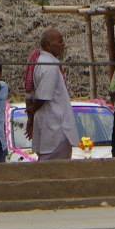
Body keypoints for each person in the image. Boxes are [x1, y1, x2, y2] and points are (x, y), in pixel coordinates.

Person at [26, 28, 79, 161]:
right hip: (55, 129)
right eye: (60, 41)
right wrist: (31, 112)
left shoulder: (46, 62)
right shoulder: (49, 65)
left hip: (52, 127)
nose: (63, 45)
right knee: (55, 172)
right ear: (49, 45)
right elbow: (43, 96)